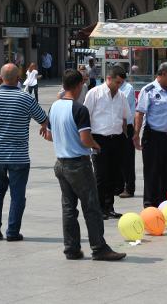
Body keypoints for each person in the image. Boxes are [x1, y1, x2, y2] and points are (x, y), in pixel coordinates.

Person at [44, 69, 126, 261]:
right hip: (78, 164)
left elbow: (48, 135)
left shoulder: (54, 106)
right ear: (79, 85)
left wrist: (64, 139)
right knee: (92, 207)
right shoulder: (79, 109)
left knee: (68, 208)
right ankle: (99, 248)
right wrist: (96, 145)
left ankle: (71, 249)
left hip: (60, 163)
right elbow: (85, 138)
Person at [0, 63, 48, 241]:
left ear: (0, 78)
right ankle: (12, 232)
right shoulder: (26, 99)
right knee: (17, 195)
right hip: (19, 156)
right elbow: (42, 118)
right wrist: (44, 126)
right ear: (19, 79)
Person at [133, 61, 167, 208]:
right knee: (152, 172)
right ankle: (150, 205)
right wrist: (136, 134)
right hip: (154, 137)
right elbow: (140, 113)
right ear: (164, 73)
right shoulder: (149, 90)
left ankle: (164, 203)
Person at [84, 66, 129, 219]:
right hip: (99, 138)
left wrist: (125, 137)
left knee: (113, 175)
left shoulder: (121, 96)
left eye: (121, 83)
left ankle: (109, 207)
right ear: (108, 78)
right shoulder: (94, 93)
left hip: (116, 139)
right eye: (117, 82)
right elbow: (86, 116)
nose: (119, 86)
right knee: (100, 176)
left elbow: (124, 118)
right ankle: (99, 208)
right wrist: (88, 140)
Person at [118, 70, 136, 198]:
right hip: (115, 127)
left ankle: (129, 187)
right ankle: (118, 185)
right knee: (117, 159)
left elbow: (121, 105)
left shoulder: (128, 88)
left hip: (127, 127)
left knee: (127, 159)